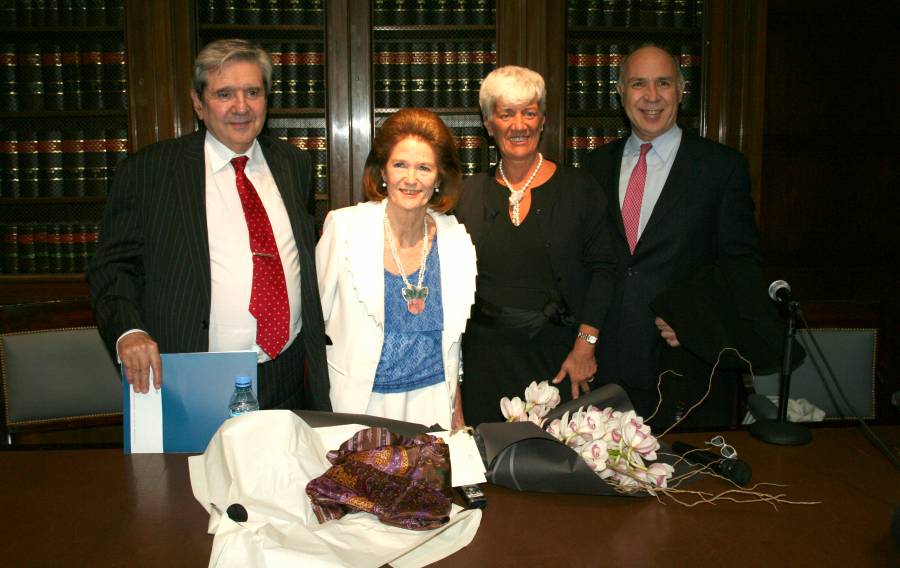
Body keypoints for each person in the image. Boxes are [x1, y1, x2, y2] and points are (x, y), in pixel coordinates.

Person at [88, 39, 330, 411]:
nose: (241, 107)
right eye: (224, 94)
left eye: (253, 92)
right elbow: (111, 266)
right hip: (193, 377)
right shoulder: (149, 172)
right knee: (192, 472)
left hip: (287, 374)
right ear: (198, 104)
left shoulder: (292, 164)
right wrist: (128, 330)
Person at [584, 44, 767, 427]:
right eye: (638, 84)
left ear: (681, 90)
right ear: (620, 93)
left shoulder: (721, 169)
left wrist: (698, 318)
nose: (651, 96)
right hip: (605, 371)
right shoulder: (593, 167)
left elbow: (742, 267)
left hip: (687, 370)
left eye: (663, 83)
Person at [455, 65, 618, 427]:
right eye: (507, 113)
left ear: (542, 120)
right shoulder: (466, 196)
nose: (519, 125)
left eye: (529, 112)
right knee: (490, 464)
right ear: (488, 123)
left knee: (553, 468)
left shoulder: (580, 189)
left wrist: (585, 344)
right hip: (486, 363)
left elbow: (606, 270)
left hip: (561, 361)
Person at [316, 108, 476, 429]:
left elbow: (452, 343)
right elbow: (313, 322)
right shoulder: (344, 228)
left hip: (432, 408)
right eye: (400, 165)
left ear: (439, 177)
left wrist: (456, 413)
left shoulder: (456, 240)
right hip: (360, 407)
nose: (411, 179)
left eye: (424, 167)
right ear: (383, 172)